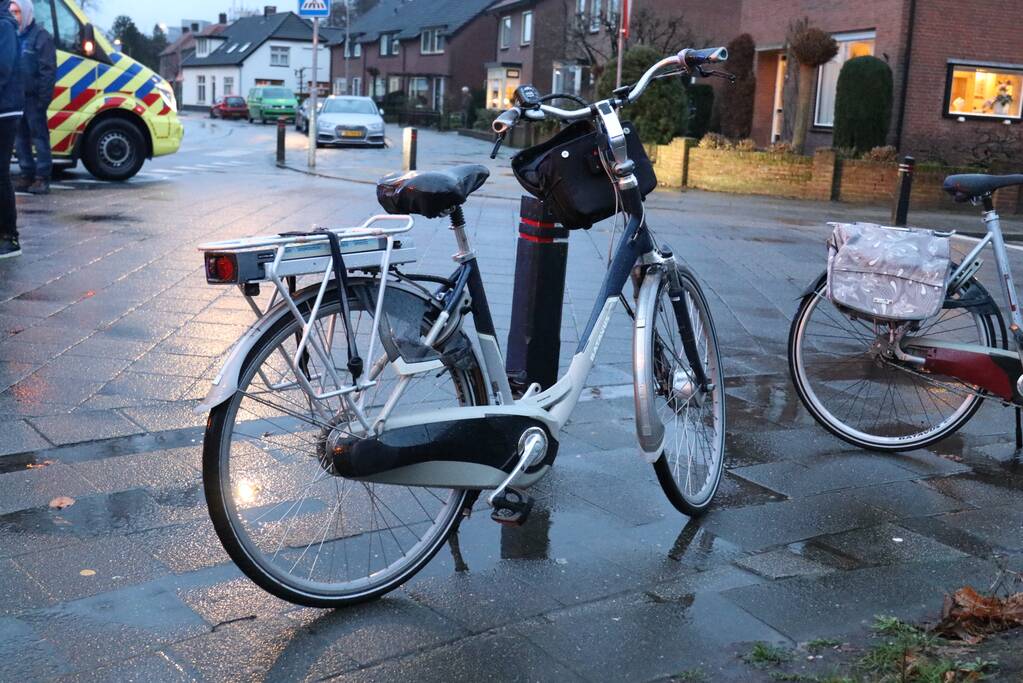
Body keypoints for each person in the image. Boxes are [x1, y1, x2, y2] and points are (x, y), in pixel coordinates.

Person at [11, 0, 54, 196]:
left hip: (34, 98)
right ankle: (26, 174)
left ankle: (42, 177)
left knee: (39, 138)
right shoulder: (11, 35)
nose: (14, 15)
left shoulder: (41, 37)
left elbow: (48, 71)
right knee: (20, 139)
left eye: (17, 12)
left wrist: (42, 100)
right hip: (16, 98)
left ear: (26, 12)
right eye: (11, 12)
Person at [0, 0, 23, 259]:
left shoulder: (4, 27)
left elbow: (2, 70)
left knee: (0, 173)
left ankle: (9, 236)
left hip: (4, 111)